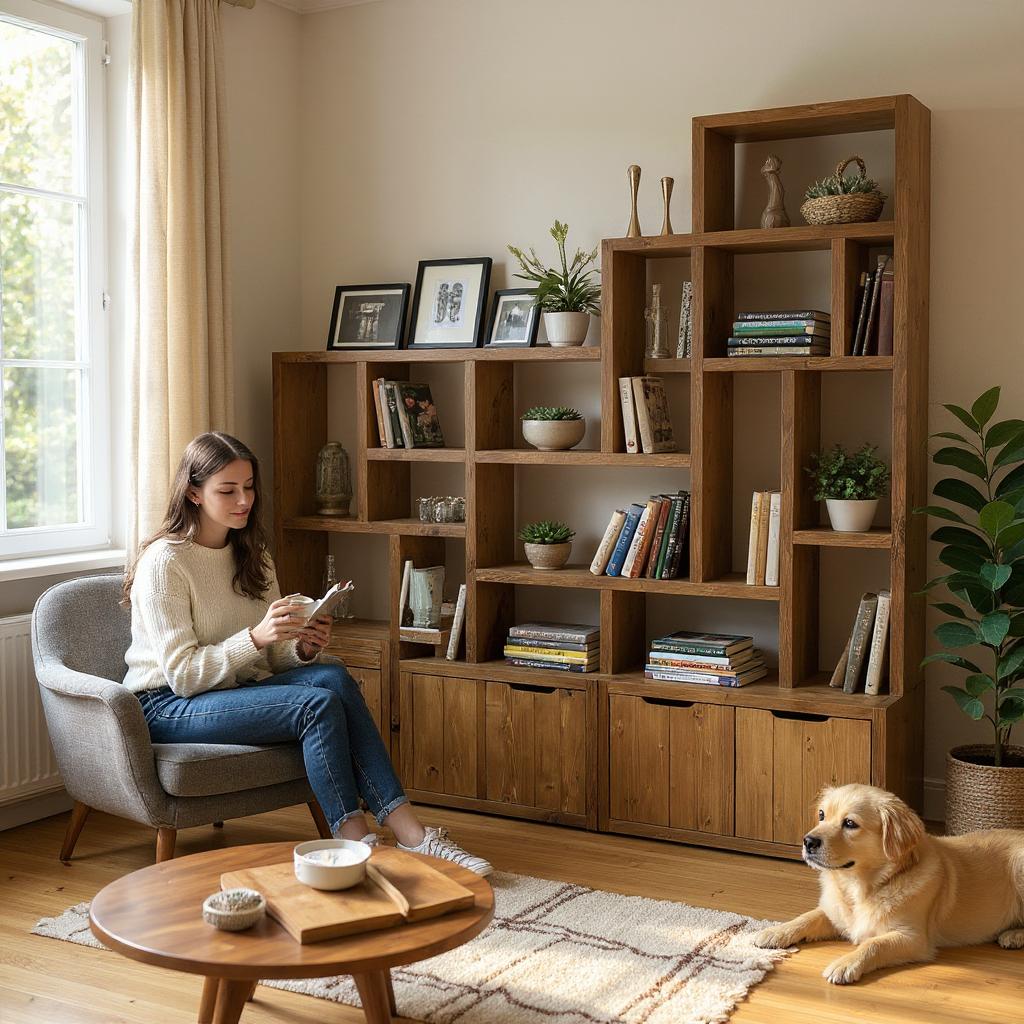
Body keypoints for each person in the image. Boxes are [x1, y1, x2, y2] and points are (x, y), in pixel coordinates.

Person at [122, 431, 491, 875]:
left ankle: (413, 835)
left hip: (230, 689)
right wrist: (256, 637)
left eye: (249, 487)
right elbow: (183, 676)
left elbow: (270, 661)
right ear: (194, 493)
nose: (244, 500)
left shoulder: (252, 554)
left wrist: (301, 647)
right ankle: (357, 843)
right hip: (167, 705)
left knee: (332, 676)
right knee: (314, 705)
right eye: (228, 490)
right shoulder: (165, 562)